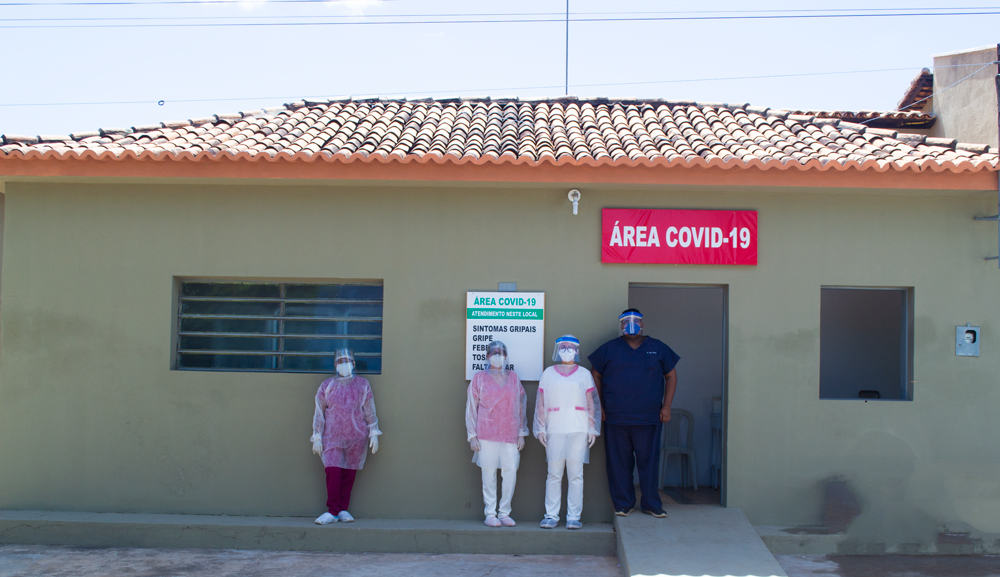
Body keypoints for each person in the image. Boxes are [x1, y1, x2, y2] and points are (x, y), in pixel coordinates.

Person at [588, 309, 679, 518]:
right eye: (625, 322)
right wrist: (599, 406)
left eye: (635, 321)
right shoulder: (610, 349)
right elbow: (595, 375)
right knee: (618, 463)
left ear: (643, 324)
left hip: (649, 418)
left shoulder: (658, 348)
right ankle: (624, 503)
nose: (630, 325)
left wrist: (666, 406)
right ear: (620, 326)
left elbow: (671, 376)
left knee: (649, 462)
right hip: (615, 418)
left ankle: (651, 503)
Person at [533, 335, 601, 530]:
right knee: (553, 474)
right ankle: (551, 515)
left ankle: (573, 516)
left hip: (578, 429)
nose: (567, 349)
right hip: (554, 429)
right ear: (557, 349)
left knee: (576, 475)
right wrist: (540, 428)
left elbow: (591, 403)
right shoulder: (548, 373)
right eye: (563, 346)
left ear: (577, 351)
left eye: (571, 347)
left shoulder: (584, 374)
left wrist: (592, 428)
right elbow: (541, 403)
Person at [311, 348, 382, 525]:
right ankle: (332, 510)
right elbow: (319, 412)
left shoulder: (362, 385)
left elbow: (369, 410)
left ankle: (342, 508)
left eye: (347, 361)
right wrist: (317, 436)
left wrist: (374, 433)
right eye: (341, 361)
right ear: (335, 365)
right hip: (331, 437)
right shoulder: (327, 386)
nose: (344, 364)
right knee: (333, 471)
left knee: (349, 474)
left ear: (353, 363)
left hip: (356, 436)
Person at [466, 340, 528, 527]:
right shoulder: (479, 378)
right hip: (486, 433)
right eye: (494, 353)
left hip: (509, 433)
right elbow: (471, 408)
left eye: (501, 353)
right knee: (489, 473)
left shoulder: (514, 378)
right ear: (487, 356)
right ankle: (490, 513)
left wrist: (521, 433)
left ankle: (504, 512)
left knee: (510, 472)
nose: (497, 356)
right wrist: (472, 435)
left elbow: (521, 405)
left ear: (506, 356)